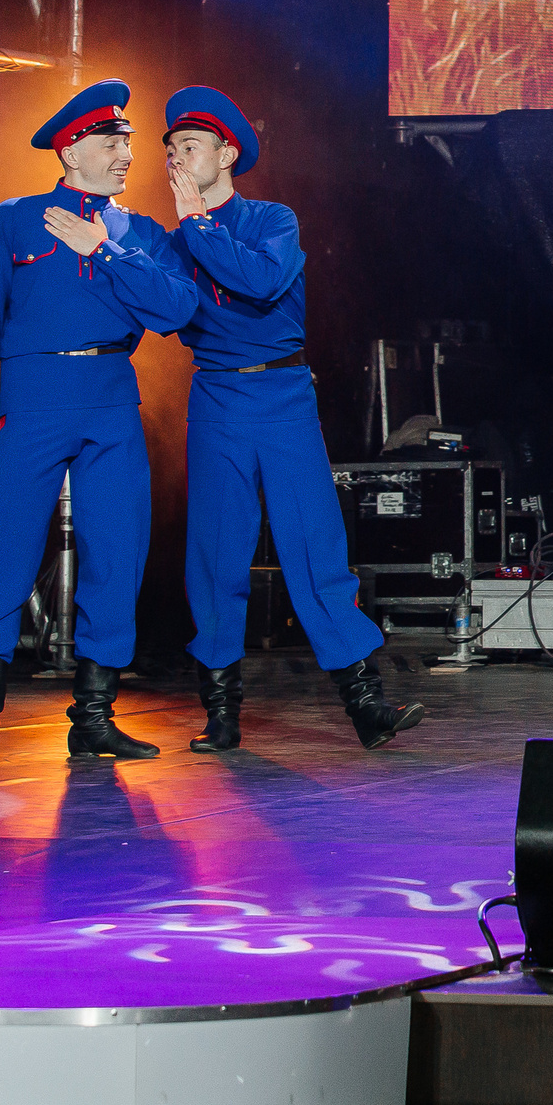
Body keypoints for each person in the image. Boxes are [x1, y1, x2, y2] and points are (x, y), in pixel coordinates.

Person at [0, 80, 200, 770]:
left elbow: (179, 309)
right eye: (113, 141)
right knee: (2, 548)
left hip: (110, 398)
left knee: (118, 550)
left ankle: (94, 717)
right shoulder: (14, 220)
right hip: (34, 399)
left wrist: (105, 249)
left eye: (129, 142)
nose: (127, 154)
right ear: (71, 148)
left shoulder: (139, 232)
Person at [161, 86, 426, 751]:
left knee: (314, 543)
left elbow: (260, 280)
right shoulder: (175, 240)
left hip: (281, 397)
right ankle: (221, 713)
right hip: (218, 398)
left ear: (226, 153)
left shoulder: (273, 219)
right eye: (170, 148)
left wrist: (197, 225)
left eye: (188, 145)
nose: (174, 156)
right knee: (216, 552)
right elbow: (162, 309)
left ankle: (366, 705)